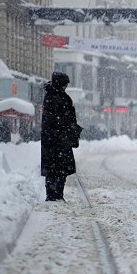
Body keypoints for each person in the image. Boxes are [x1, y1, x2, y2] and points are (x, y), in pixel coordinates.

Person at [40, 71, 82, 201]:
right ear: (61, 84)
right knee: (60, 168)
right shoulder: (61, 98)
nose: (66, 87)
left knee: (52, 168)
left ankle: (52, 194)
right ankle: (57, 194)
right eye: (65, 84)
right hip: (60, 139)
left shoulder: (50, 96)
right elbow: (65, 120)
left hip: (50, 139)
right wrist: (70, 131)